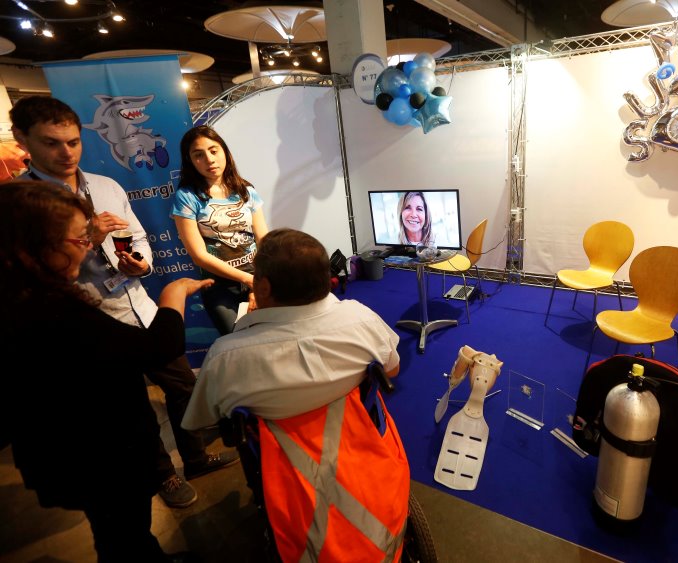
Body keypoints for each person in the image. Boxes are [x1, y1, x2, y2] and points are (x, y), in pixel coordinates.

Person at [10, 95, 238, 510]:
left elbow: (138, 237)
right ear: (21, 139)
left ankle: (196, 458)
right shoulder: (21, 204)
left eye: (74, 142)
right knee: (132, 408)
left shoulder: (106, 185)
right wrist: (88, 238)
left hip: (139, 305)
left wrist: (140, 265)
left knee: (184, 386)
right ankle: (163, 476)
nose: (67, 153)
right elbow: (32, 275)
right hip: (91, 323)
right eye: (52, 143)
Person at [0, 180, 213, 563]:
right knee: (123, 535)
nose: (87, 248)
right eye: (80, 240)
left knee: (121, 533)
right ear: (37, 248)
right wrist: (174, 295)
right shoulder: (52, 312)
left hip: (84, 454)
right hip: (99, 458)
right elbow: (156, 348)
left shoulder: (25, 298)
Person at [182, 228, 409, 561]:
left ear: (263, 286)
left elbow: (201, 420)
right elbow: (392, 370)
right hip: (369, 454)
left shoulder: (227, 356)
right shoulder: (361, 318)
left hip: (289, 480)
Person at [171, 125, 269, 335]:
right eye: (199, 155)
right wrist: (248, 281)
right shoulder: (187, 197)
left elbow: (264, 240)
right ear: (190, 161)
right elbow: (199, 255)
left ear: (224, 151)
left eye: (213, 150)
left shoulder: (247, 190)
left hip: (257, 275)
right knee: (237, 341)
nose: (209, 159)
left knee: (269, 336)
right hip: (219, 285)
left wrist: (260, 281)